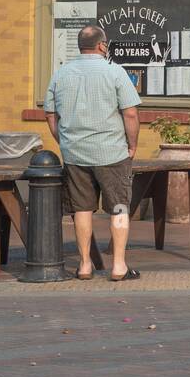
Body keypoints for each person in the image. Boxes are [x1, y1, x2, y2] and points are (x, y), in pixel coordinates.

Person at [44, 23, 142, 280]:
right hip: (112, 152)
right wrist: (132, 145)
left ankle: (85, 264)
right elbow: (130, 113)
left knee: (82, 209)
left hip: (75, 154)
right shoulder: (116, 72)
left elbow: (50, 114)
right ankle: (119, 265)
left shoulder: (61, 74)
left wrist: (63, 141)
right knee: (119, 206)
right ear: (102, 45)